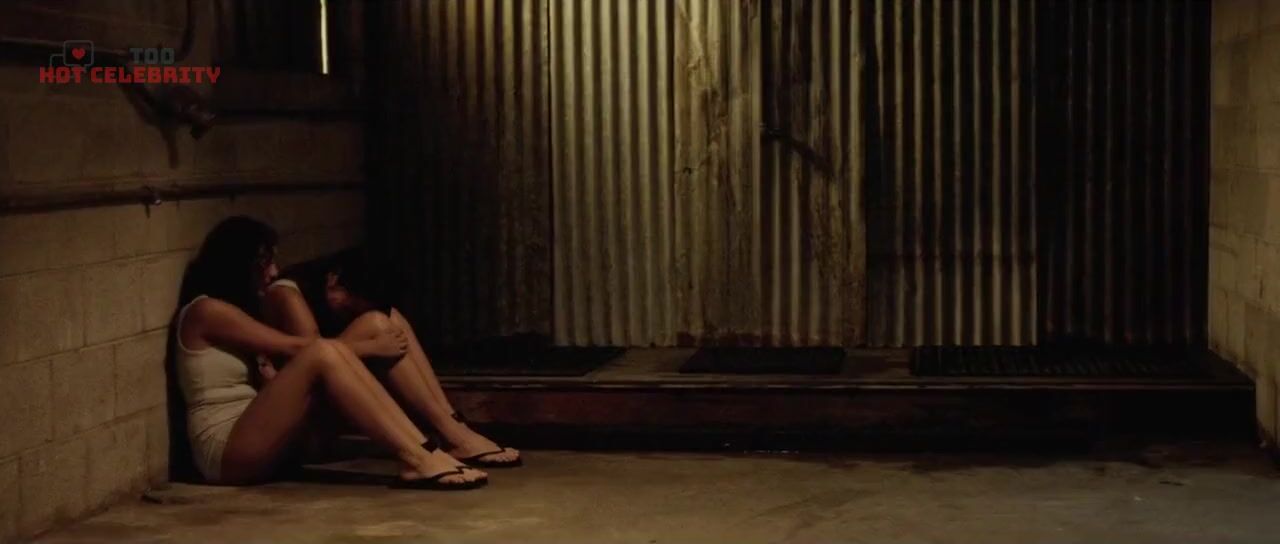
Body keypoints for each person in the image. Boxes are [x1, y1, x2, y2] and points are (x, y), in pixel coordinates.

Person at [171, 216, 488, 488]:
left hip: (261, 431)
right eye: (264, 263)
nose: (273, 272)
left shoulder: (242, 309)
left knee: (376, 323)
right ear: (238, 265)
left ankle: (431, 446)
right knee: (323, 351)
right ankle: (416, 457)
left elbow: (274, 370)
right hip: (226, 449)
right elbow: (296, 347)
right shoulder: (206, 311)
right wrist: (370, 349)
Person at [261, 248, 521, 468]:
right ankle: (449, 432)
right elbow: (309, 359)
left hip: (329, 402)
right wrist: (371, 348)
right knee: (376, 323)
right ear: (333, 279)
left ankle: (452, 424)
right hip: (298, 416)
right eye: (349, 309)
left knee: (390, 318)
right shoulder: (287, 294)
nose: (346, 316)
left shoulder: (324, 292)